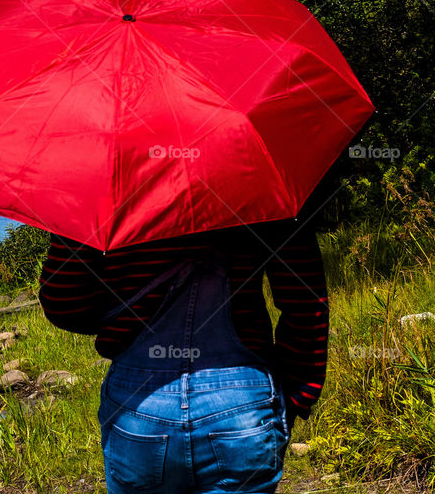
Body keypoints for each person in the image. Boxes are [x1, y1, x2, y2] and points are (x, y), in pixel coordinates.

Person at [37, 212, 328, 494]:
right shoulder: (264, 187)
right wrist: (295, 398)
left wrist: (122, 317)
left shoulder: (98, 193)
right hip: (241, 400)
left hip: (139, 405)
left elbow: (63, 300)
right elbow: (305, 297)